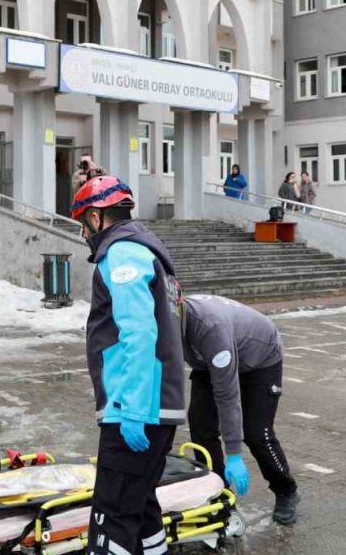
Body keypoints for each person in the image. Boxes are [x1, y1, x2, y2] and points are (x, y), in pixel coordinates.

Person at [70, 175, 184, 555]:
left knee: (112, 518)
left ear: (98, 217)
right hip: (156, 407)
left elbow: (139, 333)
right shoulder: (147, 251)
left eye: (84, 222)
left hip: (135, 410)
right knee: (141, 505)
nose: (84, 232)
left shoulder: (122, 254)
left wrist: (132, 409)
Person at [179, 293, 299, 524]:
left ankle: (286, 489)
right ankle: (218, 494)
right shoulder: (159, 324)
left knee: (257, 433)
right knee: (200, 424)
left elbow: (227, 394)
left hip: (259, 359)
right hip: (207, 361)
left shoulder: (210, 326)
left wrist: (233, 453)